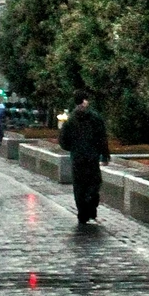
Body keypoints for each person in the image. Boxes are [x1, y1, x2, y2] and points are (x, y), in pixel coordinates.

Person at [59, 91, 111, 225]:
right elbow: (102, 138)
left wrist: (73, 149)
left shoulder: (70, 120)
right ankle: (91, 209)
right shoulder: (95, 118)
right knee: (94, 183)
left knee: (79, 186)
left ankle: (82, 214)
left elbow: (63, 140)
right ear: (84, 101)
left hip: (77, 158)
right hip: (92, 157)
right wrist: (104, 155)